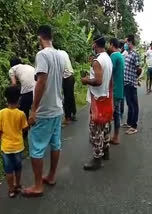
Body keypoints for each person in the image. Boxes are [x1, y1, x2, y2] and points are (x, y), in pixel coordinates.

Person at [22, 25, 65, 197]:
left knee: (37, 148)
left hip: (45, 111)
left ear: (40, 38)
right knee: (55, 143)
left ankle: (38, 185)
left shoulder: (42, 55)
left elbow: (41, 82)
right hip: (57, 107)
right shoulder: (60, 55)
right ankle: (51, 176)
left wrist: (33, 110)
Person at [81, 35, 113, 170]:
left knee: (95, 130)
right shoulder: (108, 58)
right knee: (104, 126)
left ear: (95, 44)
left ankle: (97, 158)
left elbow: (98, 80)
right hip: (105, 96)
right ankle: (105, 151)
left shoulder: (97, 61)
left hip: (97, 99)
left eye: (93, 44)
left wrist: (86, 80)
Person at [0, 86, 28, 198]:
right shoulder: (21, 114)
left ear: (5, 99)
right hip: (18, 147)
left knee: (8, 170)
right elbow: (24, 128)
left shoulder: (1, 113)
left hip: (6, 148)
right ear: (19, 99)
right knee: (18, 167)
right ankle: (17, 185)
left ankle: (11, 190)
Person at [122, 35, 141, 135]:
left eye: (126, 42)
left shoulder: (135, 54)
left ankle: (134, 126)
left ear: (130, 42)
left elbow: (139, 68)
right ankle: (129, 122)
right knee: (129, 104)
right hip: (126, 82)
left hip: (131, 82)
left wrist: (135, 78)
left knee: (134, 105)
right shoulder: (128, 54)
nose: (125, 44)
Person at [108, 38, 125, 145]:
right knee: (117, 114)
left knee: (110, 114)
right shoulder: (121, 56)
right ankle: (116, 136)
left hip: (113, 90)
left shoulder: (113, 56)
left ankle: (108, 136)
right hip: (120, 89)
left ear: (111, 44)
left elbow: (109, 72)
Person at [58, 49, 77, 125]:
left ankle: (67, 117)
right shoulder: (63, 52)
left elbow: (60, 69)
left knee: (66, 98)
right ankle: (73, 113)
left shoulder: (56, 55)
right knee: (70, 96)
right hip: (71, 76)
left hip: (66, 78)